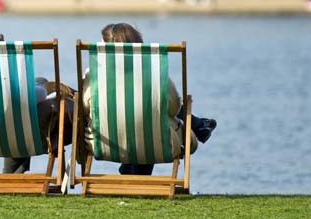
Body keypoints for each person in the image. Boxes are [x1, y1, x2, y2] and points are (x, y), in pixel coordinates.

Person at [80, 23, 216, 176]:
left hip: (104, 144)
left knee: (140, 120)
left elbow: (84, 108)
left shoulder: (94, 75)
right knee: (151, 121)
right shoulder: (154, 74)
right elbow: (174, 108)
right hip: (156, 144)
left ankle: (130, 170)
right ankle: (199, 125)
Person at [0, 33, 73, 176]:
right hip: (16, 135)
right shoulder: (5, 84)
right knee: (27, 109)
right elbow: (39, 95)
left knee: (19, 110)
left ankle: (11, 173)